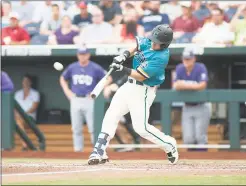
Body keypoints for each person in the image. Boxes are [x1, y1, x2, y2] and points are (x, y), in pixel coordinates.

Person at [88, 24, 178, 165]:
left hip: (143, 90)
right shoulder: (149, 41)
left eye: (157, 42)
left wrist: (122, 68)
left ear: (165, 44)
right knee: (111, 114)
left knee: (141, 128)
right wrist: (123, 55)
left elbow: (141, 76)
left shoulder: (161, 57)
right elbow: (136, 46)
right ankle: (99, 150)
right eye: (153, 39)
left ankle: (168, 144)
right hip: (128, 86)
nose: (153, 43)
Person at [60, 46, 112, 152]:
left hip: (90, 99)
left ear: (88, 55)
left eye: (84, 54)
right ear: (77, 55)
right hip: (75, 99)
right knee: (76, 128)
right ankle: (78, 151)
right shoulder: (72, 67)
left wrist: (97, 91)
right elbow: (62, 78)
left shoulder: (95, 67)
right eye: (80, 54)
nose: (82, 56)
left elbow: (108, 78)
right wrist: (67, 91)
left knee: (93, 128)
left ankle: (97, 151)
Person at [173, 47, 211, 146]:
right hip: (187, 106)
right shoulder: (180, 68)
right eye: (185, 59)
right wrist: (193, 86)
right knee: (188, 139)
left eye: (189, 59)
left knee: (200, 137)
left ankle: (203, 161)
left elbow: (202, 85)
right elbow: (176, 85)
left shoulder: (200, 67)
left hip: (202, 106)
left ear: (193, 59)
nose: (186, 61)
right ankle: (192, 161)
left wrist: (184, 84)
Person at [14, 74, 40, 151]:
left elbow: (34, 107)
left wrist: (22, 115)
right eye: (24, 81)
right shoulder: (17, 94)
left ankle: (25, 145)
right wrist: (17, 115)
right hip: (18, 118)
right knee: (18, 121)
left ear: (30, 82)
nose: (25, 82)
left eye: (27, 81)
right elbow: (14, 108)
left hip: (30, 117)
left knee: (19, 121)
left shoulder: (35, 93)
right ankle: (25, 144)